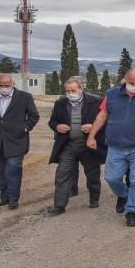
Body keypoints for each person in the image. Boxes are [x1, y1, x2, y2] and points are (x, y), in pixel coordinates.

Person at [87, 68, 135, 227]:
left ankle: (132, 211)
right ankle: (123, 194)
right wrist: (91, 136)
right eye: (131, 82)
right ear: (125, 79)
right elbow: (102, 115)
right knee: (112, 178)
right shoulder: (112, 94)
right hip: (116, 146)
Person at [0, 74, 39, 210]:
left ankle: (13, 199)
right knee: (0, 172)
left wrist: (24, 128)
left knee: (12, 170)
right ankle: (4, 197)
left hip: (16, 141)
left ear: (13, 84)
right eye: (1, 85)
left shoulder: (24, 97)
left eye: (7, 85)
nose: (4, 88)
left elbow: (34, 116)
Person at [47, 77, 107, 215]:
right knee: (62, 173)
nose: (70, 93)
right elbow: (52, 121)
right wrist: (57, 126)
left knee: (92, 173)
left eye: (73, 90)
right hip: (68, 145)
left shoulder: (96, 102)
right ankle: (59, 205)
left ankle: (94, 198)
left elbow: (106, 121)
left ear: (82, 89)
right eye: (67, 91)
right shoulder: (60, 103)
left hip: (88, 144)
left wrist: (93, 127)